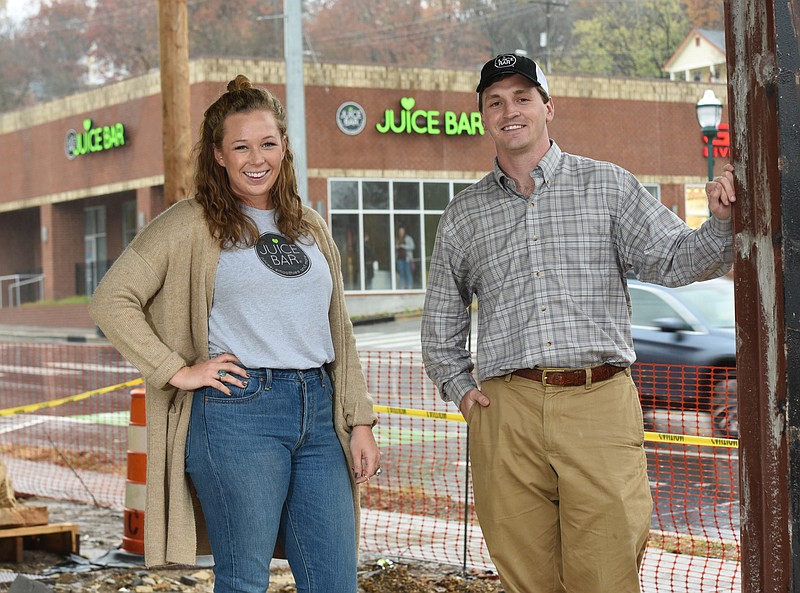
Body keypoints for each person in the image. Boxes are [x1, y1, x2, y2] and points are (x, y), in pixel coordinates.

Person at [421, 53, 735, 593]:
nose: (509, 111)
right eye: (495, 102)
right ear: (483, 117)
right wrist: (462, 391)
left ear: (548, 107)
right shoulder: (464, 214)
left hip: (598, 401)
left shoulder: (609, 187)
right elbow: (441, 327)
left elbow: (676, 259)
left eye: (522, 98)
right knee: (527, 575)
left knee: (607, 573)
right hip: (506, 412)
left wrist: (722, 224)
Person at [90, 75, 381, 593]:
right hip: (237, 413)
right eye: (240, 146)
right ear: (219, 155)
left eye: (268, 143)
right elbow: (112, 298)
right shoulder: (190, 223)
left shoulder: (310, 226)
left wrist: (359, 422)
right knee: (246, 580)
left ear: (284, 147)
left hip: (319, 414)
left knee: (336, 580)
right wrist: (176, 371)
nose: (256, 158)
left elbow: (340, 331)